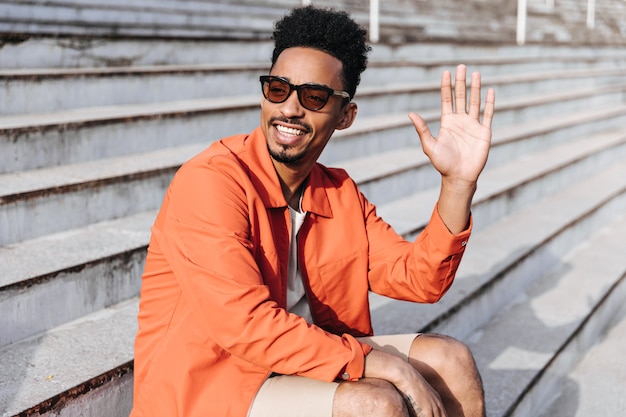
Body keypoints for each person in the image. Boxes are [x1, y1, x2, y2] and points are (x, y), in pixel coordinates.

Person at [130, 5, 495, 417]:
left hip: (305, 358)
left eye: (314, 97)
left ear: (345, 115)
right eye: (278, 89)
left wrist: (458, 183)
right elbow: (244, 326)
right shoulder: (211, 181)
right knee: (376, 404)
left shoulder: (337, 192)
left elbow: (420, 279)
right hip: (214, 382)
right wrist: (381, 364)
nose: (290, 109)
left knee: (452, 363)